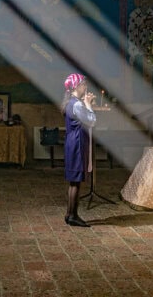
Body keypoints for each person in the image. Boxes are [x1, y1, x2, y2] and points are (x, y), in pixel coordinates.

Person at [60, 73, 96, 227]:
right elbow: (91, 121)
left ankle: (69, 214)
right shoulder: (77, 105)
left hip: (72, 141)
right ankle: (73, 215)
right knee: (76, 182)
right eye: (83, 84)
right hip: (77, 143)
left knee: (73, 181)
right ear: (76, 86)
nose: (85, 87)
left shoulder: (70, 103)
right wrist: (88, 104)